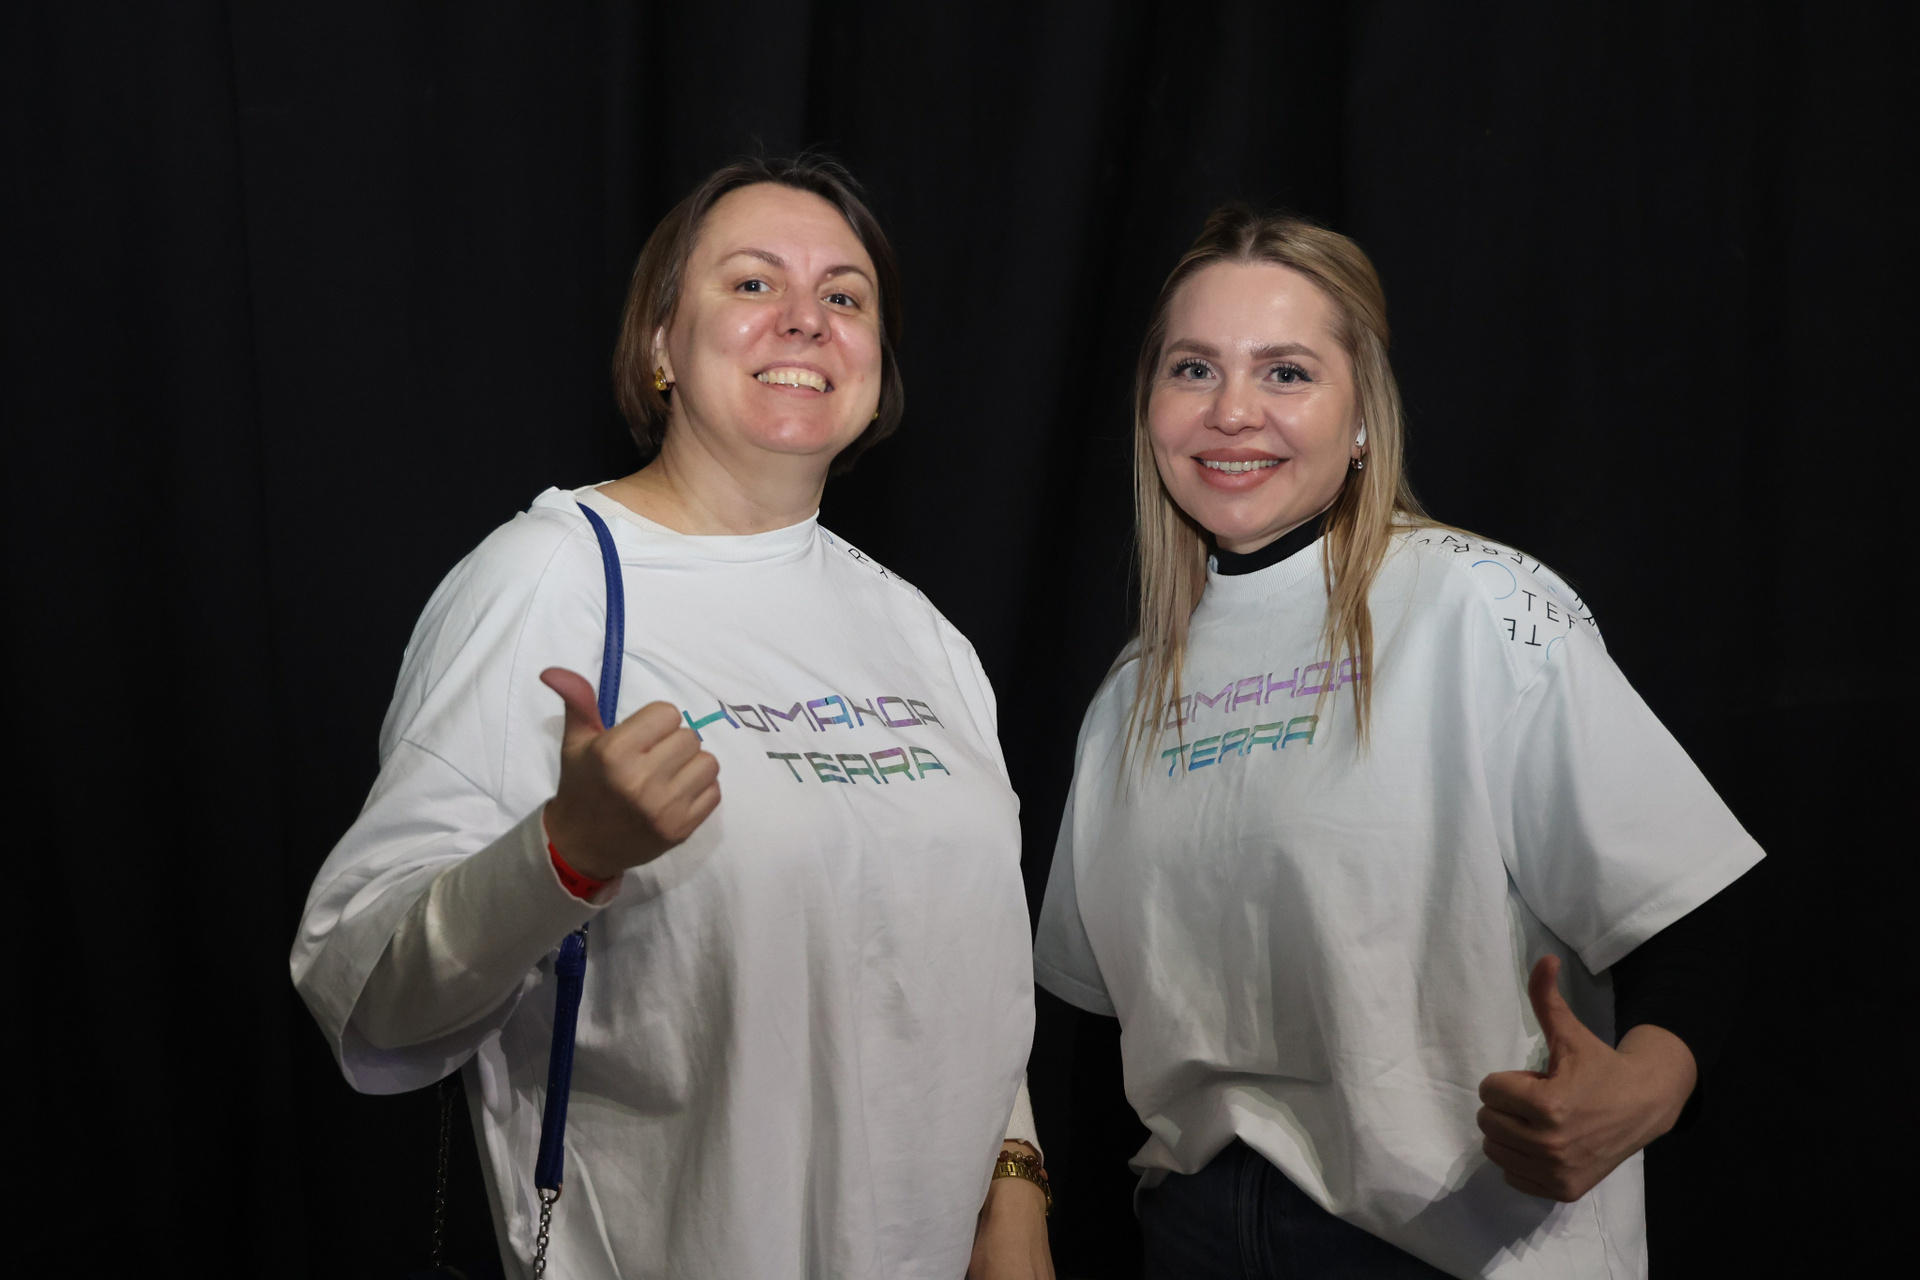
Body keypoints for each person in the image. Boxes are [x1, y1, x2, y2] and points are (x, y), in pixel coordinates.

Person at [292, 156, 1053, 1280]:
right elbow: (364, 995)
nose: (805, 318)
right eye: (753, 283)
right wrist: (564, 855)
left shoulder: (920, 633)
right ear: (661, 345)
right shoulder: (549, 582)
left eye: (845, 296)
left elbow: (957, 955)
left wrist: (1016, 1176)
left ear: (877, 363)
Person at [1032, 205, 1760, 1279]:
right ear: (1151, 410)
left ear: (1364, 415)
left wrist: (1643, 1091)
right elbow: (1098, 1053)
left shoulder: (1480, 604)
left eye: (1285, 372)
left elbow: (1696, 915)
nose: (1232, 410)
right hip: (1192, 1236)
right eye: (1194, 369)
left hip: (1456, 1244)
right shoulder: (1130, 695)